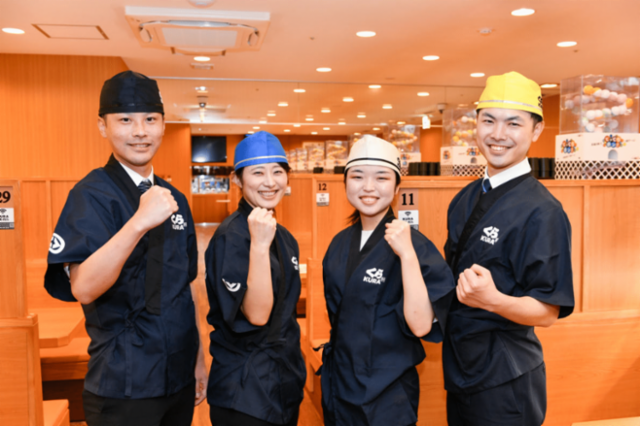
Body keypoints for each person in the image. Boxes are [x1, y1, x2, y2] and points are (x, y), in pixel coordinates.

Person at [44, 71, 207, 426]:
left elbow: (186, 287)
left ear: (163, 126)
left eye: (150, 119)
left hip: (178, 374)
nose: (140, 131)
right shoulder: (90, 195)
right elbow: (84, 287)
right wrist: (137, 223)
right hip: (124, 381)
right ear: (103, 127)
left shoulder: (174, 198)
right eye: (125, 120)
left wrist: (198, 359)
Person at [443, 71, 575, 426]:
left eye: (513, 123)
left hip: (505, 379)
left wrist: (493, 300)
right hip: (461, 369)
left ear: (536, 130)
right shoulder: (465, 198)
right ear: (476, 124)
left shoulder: (543, 211)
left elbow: (547, 312)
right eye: (489, 120)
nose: (498, 134)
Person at [319, 135, 456, 426]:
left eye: (381, 177)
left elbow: (421, 325)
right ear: (345, 183)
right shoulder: (339, 243)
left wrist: (407, 255)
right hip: (340, 383)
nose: (368, 187)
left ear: (396, 188)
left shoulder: (416, 246)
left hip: (388, 393)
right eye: (357, 176)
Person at [204, 131, 306, 426]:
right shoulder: (232, 236)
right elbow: (257, 315)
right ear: (237, 179)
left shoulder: (284, 236)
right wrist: (259, 247)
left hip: (283, 379)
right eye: (258, 172)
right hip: (246, 389)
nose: (270, 182)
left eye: (278, 171)